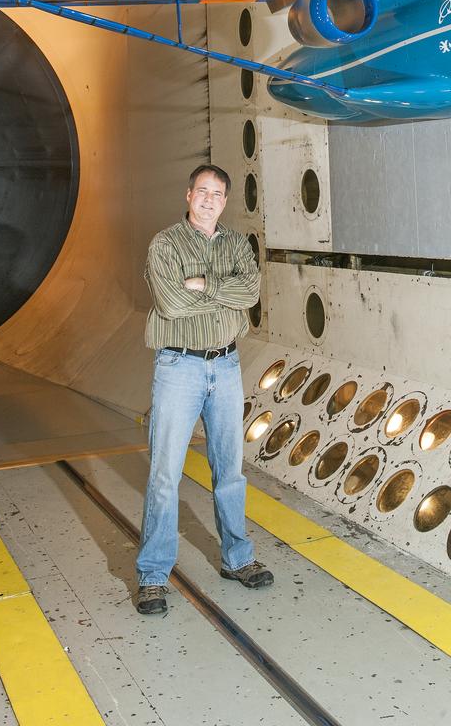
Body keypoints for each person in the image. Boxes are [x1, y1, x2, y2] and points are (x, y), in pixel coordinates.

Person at [135, 163, 274, 616]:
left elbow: (250, 293)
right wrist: (222, 291)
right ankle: (153, 577)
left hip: (226, 365)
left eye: (217, 193)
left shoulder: (237, 244)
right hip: (179, 366)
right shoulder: (165, 244)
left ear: (225, 201)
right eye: (202, 191)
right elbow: (171, 302)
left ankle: (238, 559)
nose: (209, 199)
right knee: (164, 474)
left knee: (230, 471)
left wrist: (201, 283)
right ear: (188, 195)